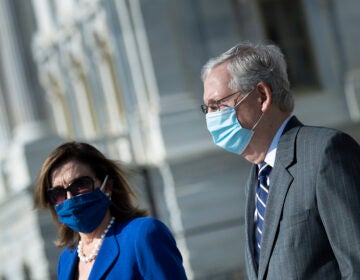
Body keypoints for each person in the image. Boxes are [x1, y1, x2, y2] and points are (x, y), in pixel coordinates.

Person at [201, 42, 360, 279]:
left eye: (218, 105)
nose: (212, 117)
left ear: (262, 96)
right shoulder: (257, 180)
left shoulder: (325, 152)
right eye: (207, 108)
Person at [34, 141, 188, 280]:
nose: (70, 198)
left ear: (107, 186)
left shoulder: (142, 235)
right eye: (58, 193)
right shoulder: (66, 260)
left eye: (80, 185)